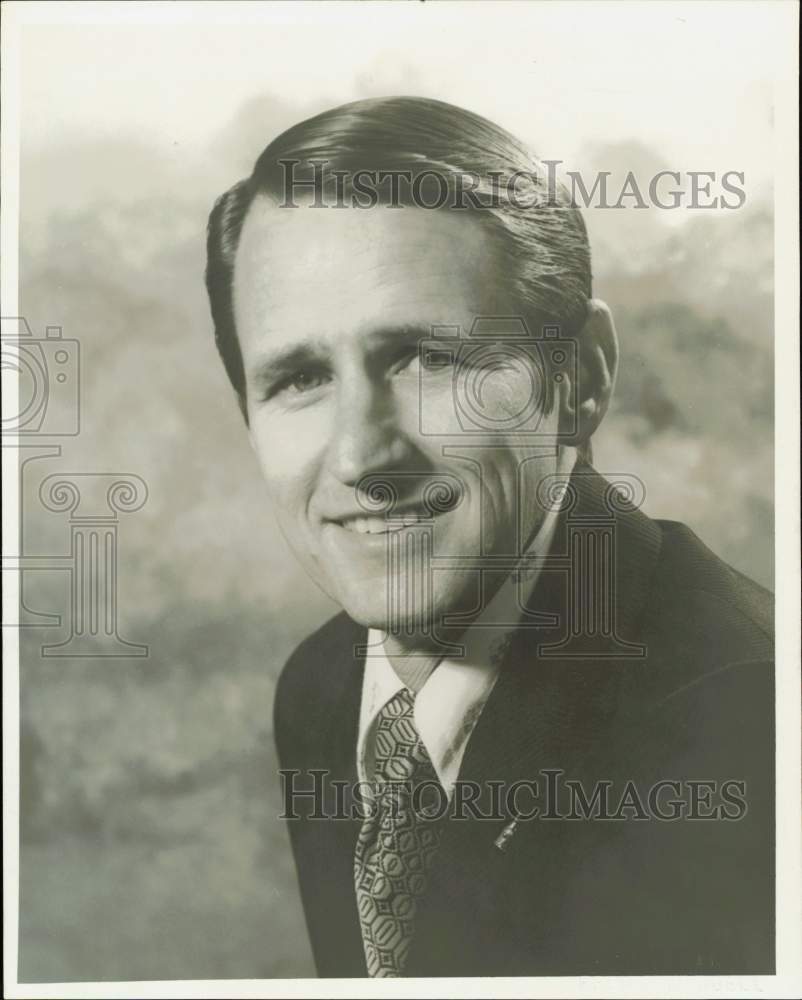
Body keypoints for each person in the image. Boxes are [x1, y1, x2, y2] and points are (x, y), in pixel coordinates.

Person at [205, 97, 773, 978]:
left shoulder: (748, 722)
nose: (363, 456)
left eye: (430, 358)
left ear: (578, 377)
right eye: (301, 377)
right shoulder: (323, 688)